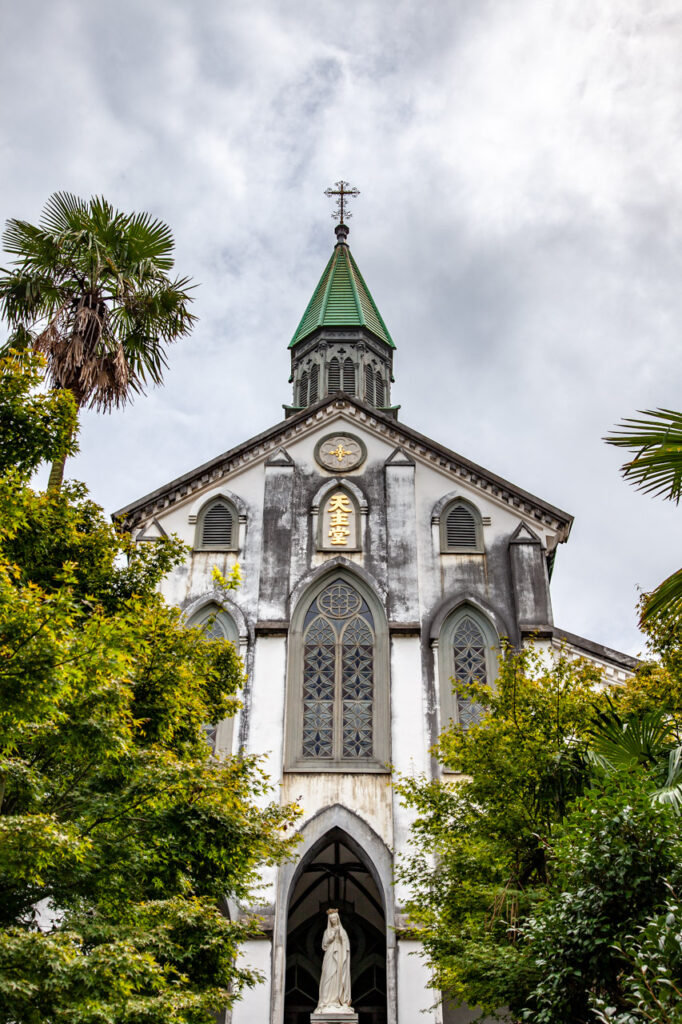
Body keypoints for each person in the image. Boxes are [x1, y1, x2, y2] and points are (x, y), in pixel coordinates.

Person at [316, 909, 352, 1012]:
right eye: (331, 919)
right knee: (328, 975)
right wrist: (332, 935)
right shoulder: (327, 931)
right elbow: (324, 944)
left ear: (338, 919)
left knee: (338, 976)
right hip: (330, 954)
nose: (333, 920)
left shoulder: (342, 931)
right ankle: (326, 1001)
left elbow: (346, 944)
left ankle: (337, 1000)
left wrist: (340, 934)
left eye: (334, 918)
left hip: (340, 954)